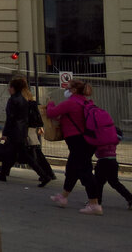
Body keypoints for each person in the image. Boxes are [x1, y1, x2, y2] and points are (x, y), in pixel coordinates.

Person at [46, 78, 103, 214]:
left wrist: (50, 103)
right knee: (72, 169)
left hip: (77, 141)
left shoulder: (71, 103)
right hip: (88, 141)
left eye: (68, 88)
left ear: (73, 90)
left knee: (85, 171)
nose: (66, 90)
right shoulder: (86, 102)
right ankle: (63, 197)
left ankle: (94, 204)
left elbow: (51, 113)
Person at [0, 77, 51, 184]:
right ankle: (2, 174)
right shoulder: (24, 100)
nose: (8, 89)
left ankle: (43, 175)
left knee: (22, 155)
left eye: (10, 87)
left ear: (13, 88)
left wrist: (5, 133)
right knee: (12, 153)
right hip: (22, 131)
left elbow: (10, 118)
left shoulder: (13, 100)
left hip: (14, 131)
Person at [94, 128, 132, 211]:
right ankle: (130, 198)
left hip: (103, 161)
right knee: (114, 182)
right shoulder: (114, 140)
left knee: (98, 183)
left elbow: (98, 148)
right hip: (113, 161)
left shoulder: (103, 139)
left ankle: (96, 202)